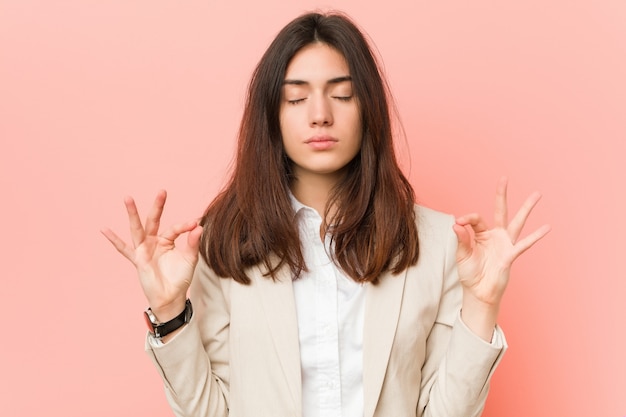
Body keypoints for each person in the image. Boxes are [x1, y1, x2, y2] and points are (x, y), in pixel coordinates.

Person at [102, 11, 550, 417]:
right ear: (271, 116)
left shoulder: (438, 243)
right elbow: (210, 411)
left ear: (367, 108)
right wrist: (167, 311)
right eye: (296, 100)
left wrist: (483, 302)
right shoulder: (225, 242)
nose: (319, 115)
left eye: (342, 95)